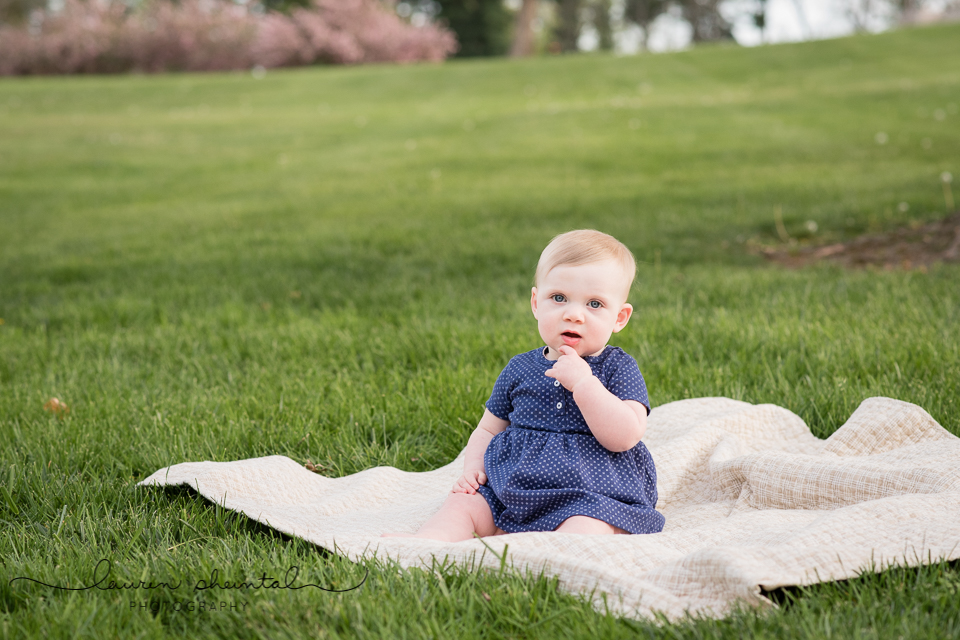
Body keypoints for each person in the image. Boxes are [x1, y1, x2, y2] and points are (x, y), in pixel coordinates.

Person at [385, 230, 664, 541]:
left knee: (586, 528)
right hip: (514, 490)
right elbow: (489, 429)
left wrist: (585, 383)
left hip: (590, 493)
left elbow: (625, 436)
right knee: (461, 506)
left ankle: (554, 563)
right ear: (535, 302)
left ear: (620, 317)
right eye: (558, 298)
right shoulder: (521, 367)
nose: (573, 314)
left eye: (594, 304)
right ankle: (425, 545)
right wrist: (473, 471)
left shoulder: (617, 367)